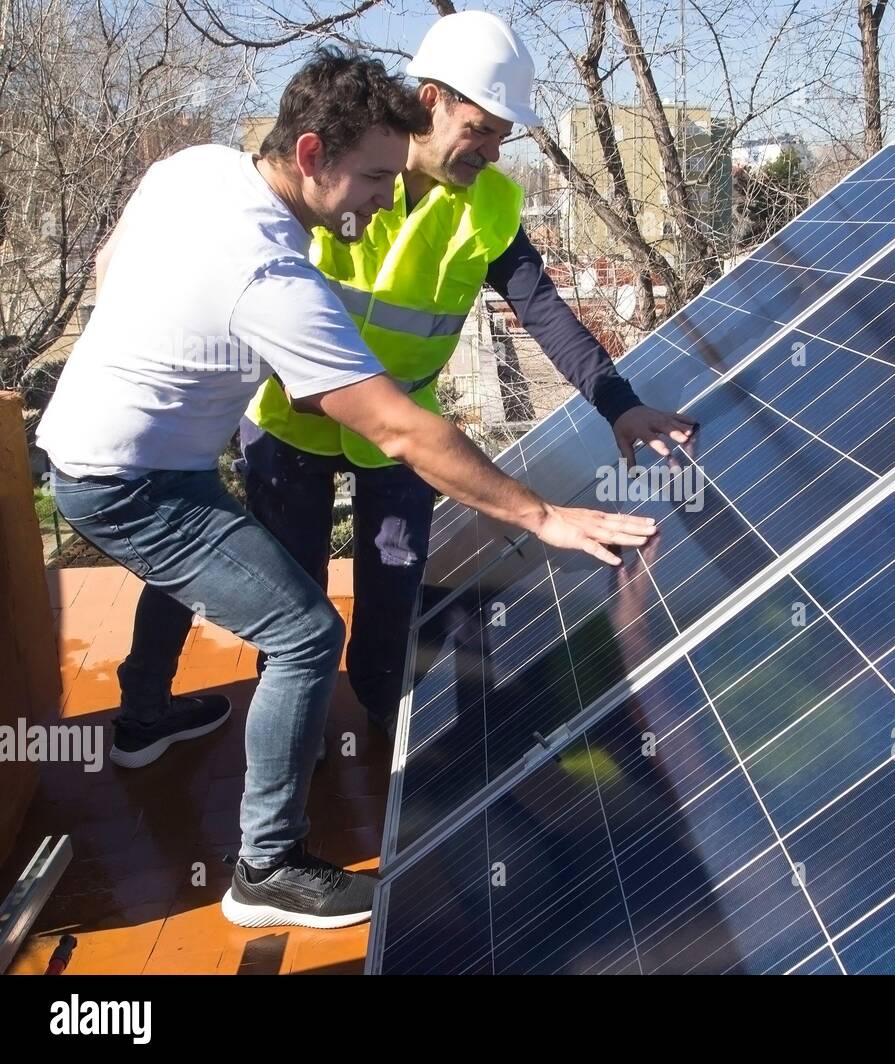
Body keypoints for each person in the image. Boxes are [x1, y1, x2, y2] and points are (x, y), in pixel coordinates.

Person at [36, 48, 658, 930]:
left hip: (127, 448)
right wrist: (542, 515)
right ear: (312, 155)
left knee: (269, 592)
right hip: (150, 474)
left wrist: (137, 351)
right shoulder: (271, 273)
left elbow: (113, 255)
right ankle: (268, 866)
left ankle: (172, 724)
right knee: (300, 628)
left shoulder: (199, 169)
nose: (381, 194)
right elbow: (400, 428)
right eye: (371, 175)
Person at [242, 10, 695, 736]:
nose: (489, 151)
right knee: (292, 601)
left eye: (501, 137)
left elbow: (544, 312)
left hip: (404, 434)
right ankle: (296, 746)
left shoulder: (490, 206)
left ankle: (390, 745)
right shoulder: (335, 174)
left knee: (394, 600)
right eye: (480, 128)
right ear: (432, 101)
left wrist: (620, 405)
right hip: (290, 417)